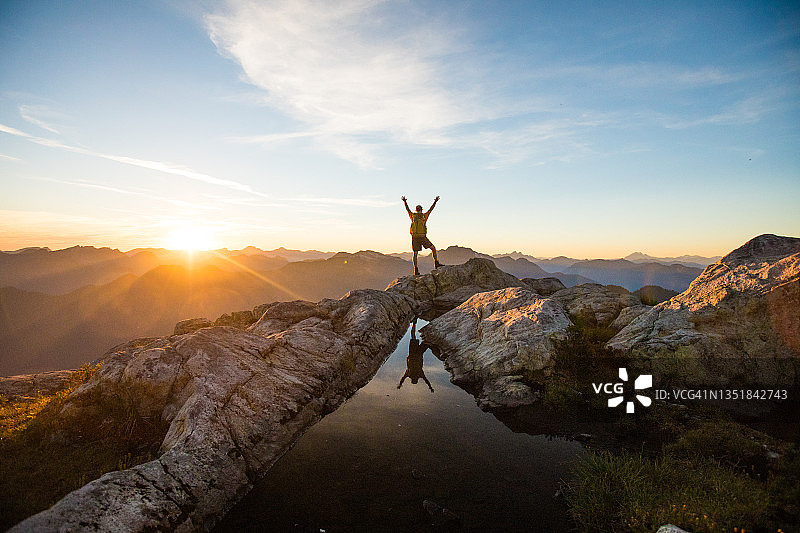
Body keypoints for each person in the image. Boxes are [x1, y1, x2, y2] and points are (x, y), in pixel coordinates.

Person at [401, 195, 443, 275]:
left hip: (415, 237)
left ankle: (416, 270)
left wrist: (405, 201)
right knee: (433, 248)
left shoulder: (412, 216)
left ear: (416, 210)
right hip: (422, 237)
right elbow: (431, 209)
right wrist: (435, 201)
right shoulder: (424, 216)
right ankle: (436, 264)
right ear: (421, 209)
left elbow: (407, 209)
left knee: (415, 254)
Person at [397, 317, 434, 393]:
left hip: (416, 353)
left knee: (421, 340)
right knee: (415, 337)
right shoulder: (411, 373)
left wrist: (430, 387)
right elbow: (403, 378)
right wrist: (400, 384)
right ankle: (415, 323)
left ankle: (417, 323)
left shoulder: (415, 374)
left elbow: (426, 380)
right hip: (414, 353)